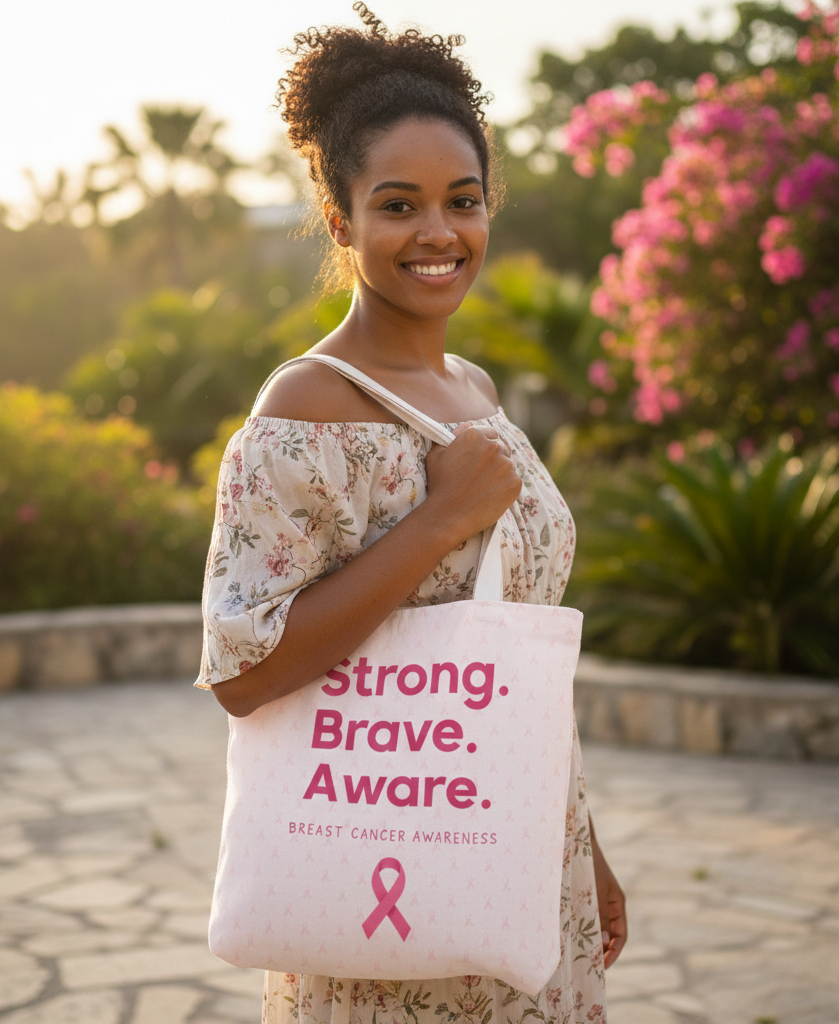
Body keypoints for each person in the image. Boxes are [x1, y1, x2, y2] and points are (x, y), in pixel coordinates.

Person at [196, 5, 627, 1022]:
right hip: (385, 882)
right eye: (397, 205)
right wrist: (437, 522)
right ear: (340, 219)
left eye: (462, 201)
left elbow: (503, 665)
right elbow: (244, 667)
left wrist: (583, 851)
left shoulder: (474, 389)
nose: (437, 233)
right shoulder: (303, 407)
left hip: (516, 861)